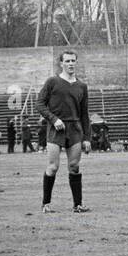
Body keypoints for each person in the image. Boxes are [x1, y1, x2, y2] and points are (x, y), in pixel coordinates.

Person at [36, 50, 92, 213]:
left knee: (74, 166)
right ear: (61, 63)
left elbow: (84, 114)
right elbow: (39, 104)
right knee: (53, 167)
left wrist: (87, 137)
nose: (70, 64)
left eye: (73, 61)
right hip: (56, 130)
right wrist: (53, 119)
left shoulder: (82, 86)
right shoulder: (52, 82)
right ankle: (46, 204)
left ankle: (78, 205)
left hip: (75, 130)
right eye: (67, 61)